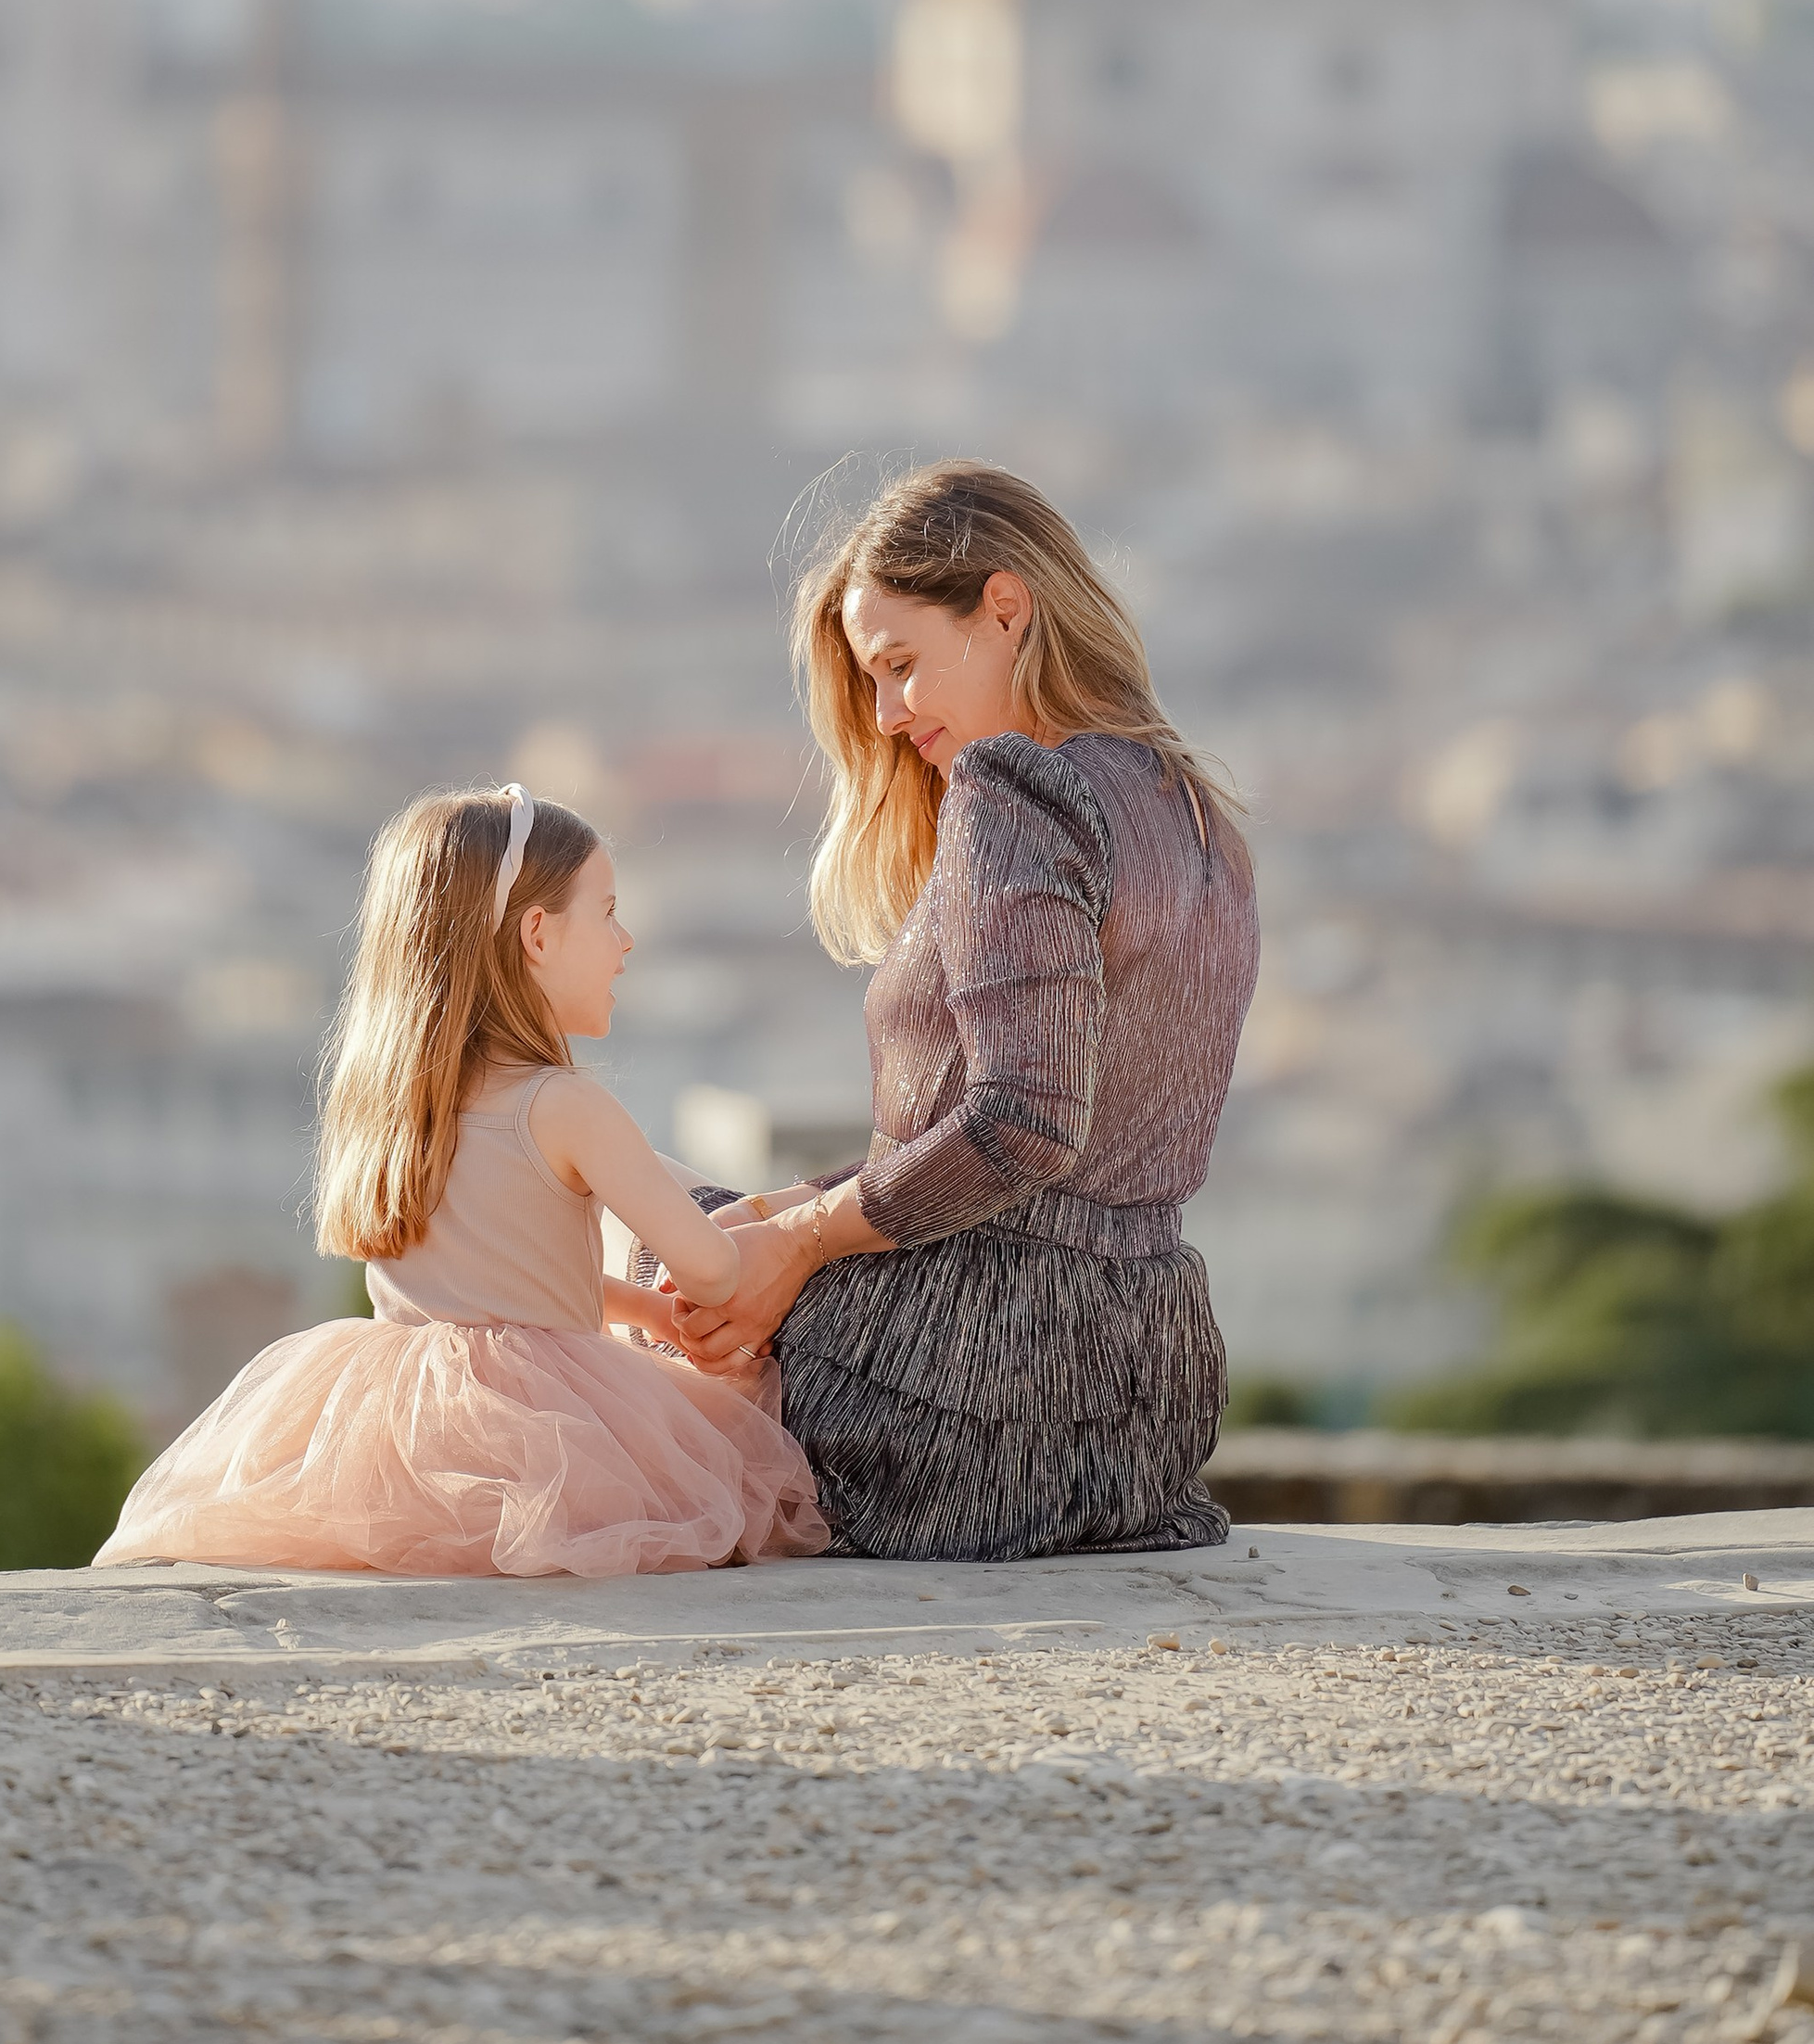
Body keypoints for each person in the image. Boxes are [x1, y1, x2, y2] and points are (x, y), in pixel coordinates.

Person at [666, 460, 1257, 1561]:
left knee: (631, 1235)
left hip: (960, 1390)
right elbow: (1020, 1147)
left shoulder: (1015, 792)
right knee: (702, 1225)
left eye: (900, 666)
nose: (887, 716)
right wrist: (792, 1205)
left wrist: (795, 1240)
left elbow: (1023, 1126)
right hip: (1138, 1415)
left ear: (1003, 606)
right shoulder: (1192, 810)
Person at [96, 784, 827, 1578]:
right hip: (548, 1427)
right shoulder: (567, 1104)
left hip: (392, 1419)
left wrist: (645, 1307)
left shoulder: (397, 1102)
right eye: (609, 910)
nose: (627, 940)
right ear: (537, 934)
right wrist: (791, 1218)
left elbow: (498, 1274)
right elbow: (715, 1265)